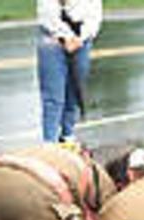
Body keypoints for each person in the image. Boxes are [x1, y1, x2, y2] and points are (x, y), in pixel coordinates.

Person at [37, 0, 102, 143]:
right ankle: (50, 142)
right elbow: (47, 14)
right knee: (53, 97)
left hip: (81, 40)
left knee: (73, 92)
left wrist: (80, 37)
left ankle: (68, 136)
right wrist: (66, 36)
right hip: (53, 40)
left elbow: (94, 15)